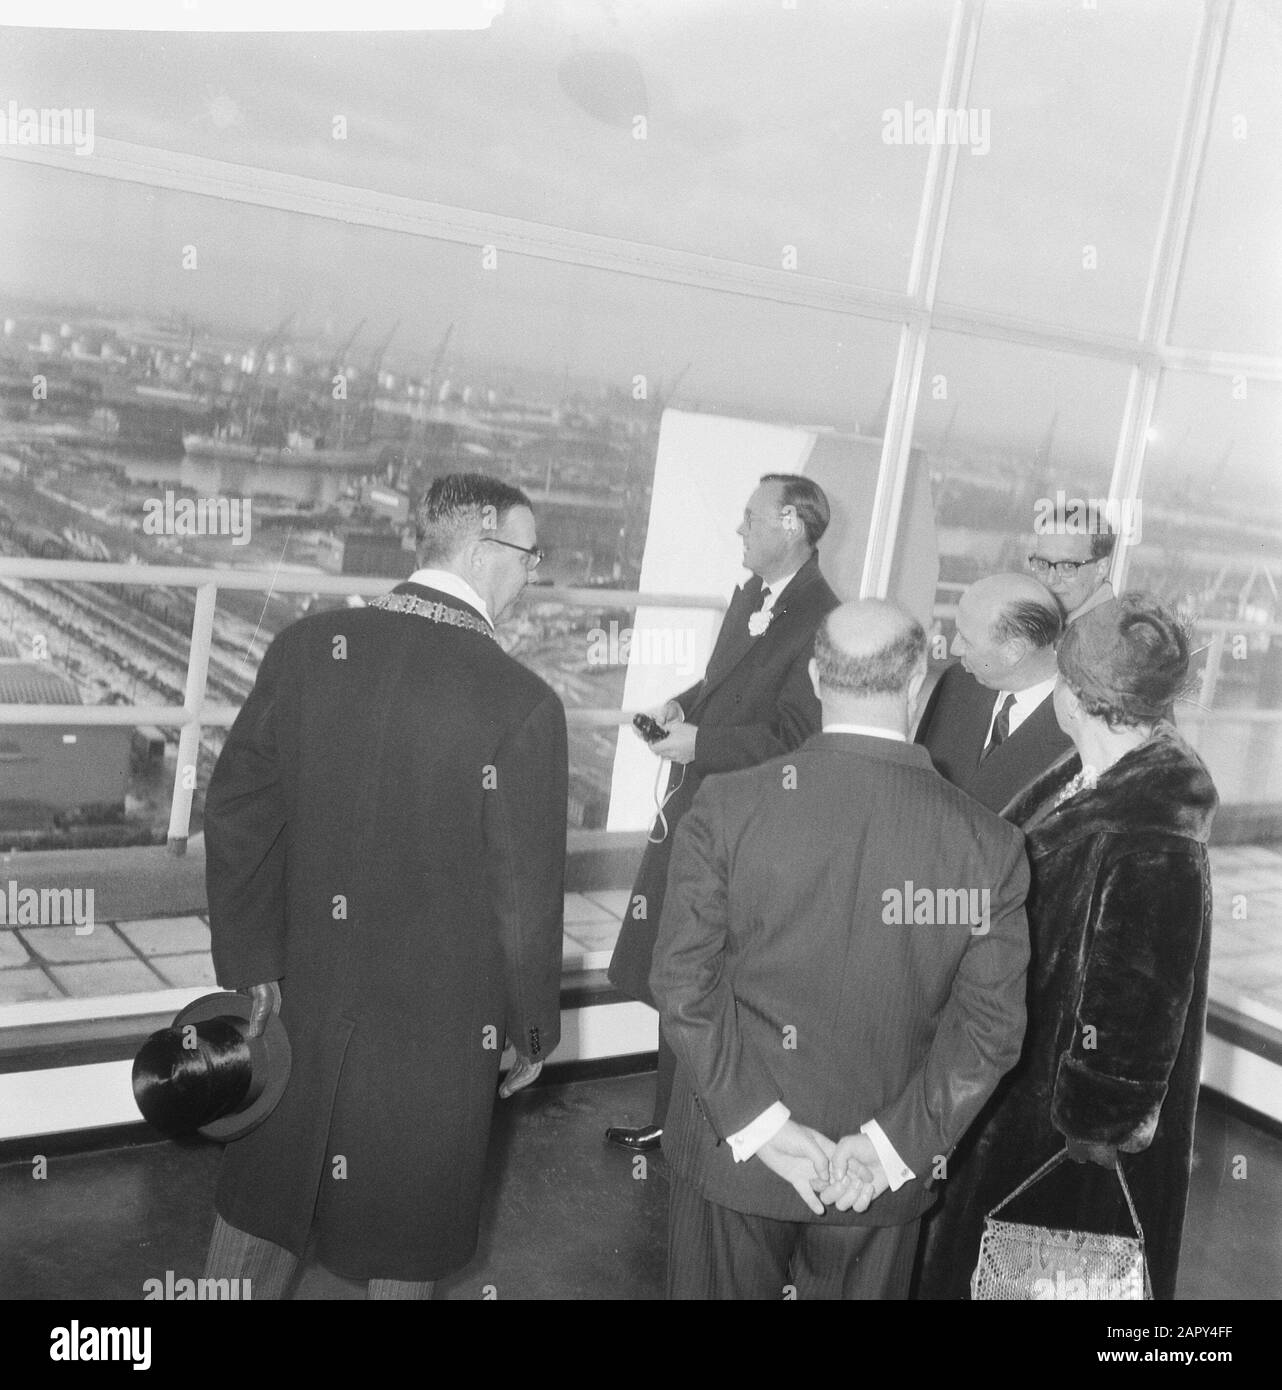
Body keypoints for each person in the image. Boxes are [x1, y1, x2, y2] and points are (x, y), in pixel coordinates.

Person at [201, 473, 568, 1299]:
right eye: (527, 554)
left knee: (261, 1207)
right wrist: (530, 1030)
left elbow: (237, 813)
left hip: (297, 994)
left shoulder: (306, 648)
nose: (531, 574)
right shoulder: (522, 704)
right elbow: (525, 901)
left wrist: (253, 960)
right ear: (481, 550)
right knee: (403, 1237)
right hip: (437, 1032)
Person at [651, 601, 1032, 1299]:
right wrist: (892, 1149)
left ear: (816, 677)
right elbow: (989, 1031)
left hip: (731, 1154)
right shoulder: (988, 847)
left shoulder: (727, 808)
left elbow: (681, 983)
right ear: (920, 678)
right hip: (877, 1182)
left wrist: (757, 1124)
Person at [915, 593, 1217, 1301]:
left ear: (1077, 698)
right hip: (1021, 1098)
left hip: (1058, 1142)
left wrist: (1088, 1132)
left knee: (1029, 1281)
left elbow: (1139, 1006)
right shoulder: (1101, 780)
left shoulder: (1150, 830)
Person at [605, 474, 839, 1153]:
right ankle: (669, 1117)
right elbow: (725, 684)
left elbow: (796, 737)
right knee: (675, 961)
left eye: (750, 516)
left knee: (700, 967)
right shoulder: (754, 599)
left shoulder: (823, 619)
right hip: (702, 807)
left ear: (791, 524)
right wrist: (680, 707)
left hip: (744, 824)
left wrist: (701, 743)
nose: (739, 528)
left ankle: (698, 1126)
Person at [914, 573, 1070, 812]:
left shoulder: (1075, 728)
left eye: (966, 640)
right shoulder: (957, 684)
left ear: (1013, 652)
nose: (955, 648)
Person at [1027, 499, 1116, 625]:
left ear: (1101, 569)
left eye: (1067, 566)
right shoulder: (1063, 627)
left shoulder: (1109, 637)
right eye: (1043, 564)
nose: (1051, 580)